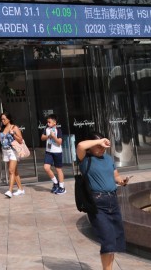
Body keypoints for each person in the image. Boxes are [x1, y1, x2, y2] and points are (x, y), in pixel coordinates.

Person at [76, 133, 128, 270]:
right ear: (91, 146)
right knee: (108, 239)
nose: (101, 148)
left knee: (114, 239)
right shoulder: (85, 159)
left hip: (113, 201)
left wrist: (122, 181)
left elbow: (115, 175)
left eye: (103, 145)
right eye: (97, 145)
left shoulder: (108, 158)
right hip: (97, 203)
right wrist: (98, 141)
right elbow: (81, 145)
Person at [0, 112, 25, 197]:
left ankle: (10, 191)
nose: (3, 121)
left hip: (13, 151)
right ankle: (21, 189)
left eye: (4, 119)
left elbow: (20, 140)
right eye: (2, 119)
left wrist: (13, 134)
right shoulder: (0, 128)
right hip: (5, 151)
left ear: (9, 119)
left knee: (11, 171)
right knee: (14, 171)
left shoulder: (14, 128)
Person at [41, 114, 66, 194]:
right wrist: (49, 136)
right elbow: (42, 138)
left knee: (58, 169)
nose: (48, 123)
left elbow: (59, 143)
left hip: (57, 152)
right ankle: (55, 182)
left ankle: (62, 187)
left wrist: (54, 137)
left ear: (54, 123)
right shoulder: (46, 129)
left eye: (49, 122)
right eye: (47, 122)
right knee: (46, 167)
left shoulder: (58, 130)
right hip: (49, 152)